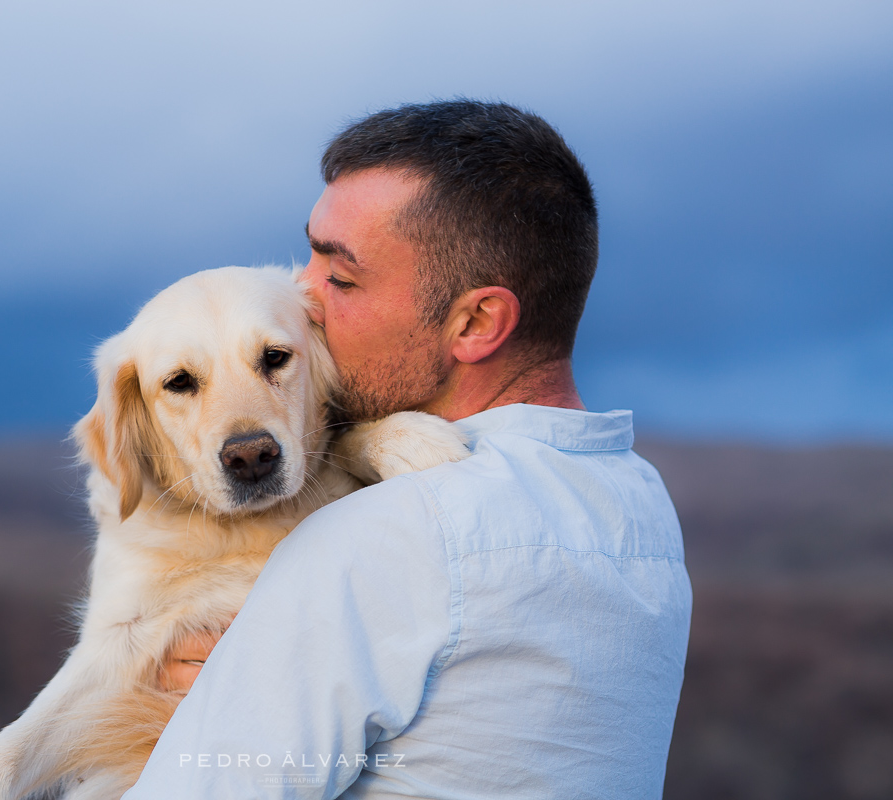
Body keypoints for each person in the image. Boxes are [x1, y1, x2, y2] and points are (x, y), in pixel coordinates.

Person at [123, 100, 692, 798]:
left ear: (477, 322)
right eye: (308, 255)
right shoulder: (637, 504)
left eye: (341, 277)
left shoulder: (384, 536)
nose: (301, 296)